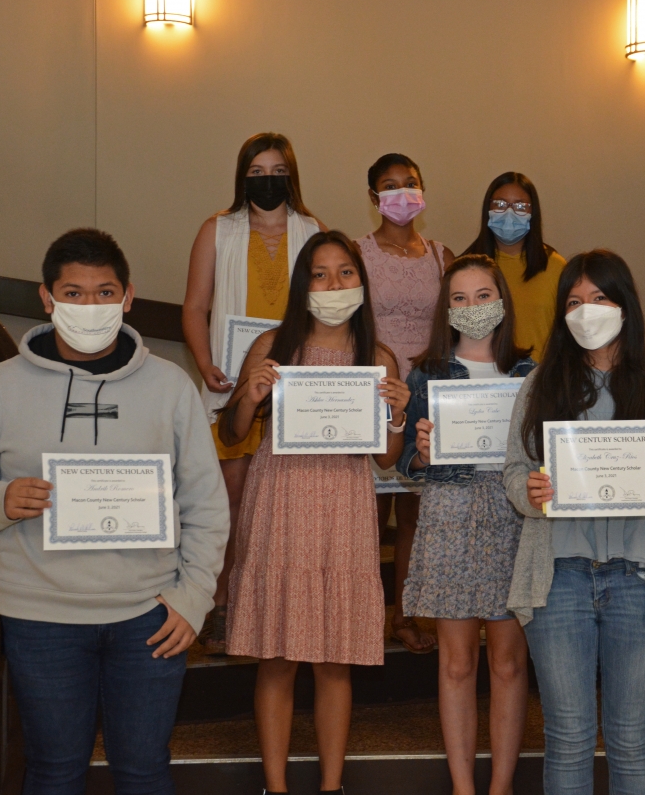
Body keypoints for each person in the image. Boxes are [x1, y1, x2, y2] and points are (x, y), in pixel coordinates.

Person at [0, 229, 229, 795]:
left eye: (104, 292)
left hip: (149, 617)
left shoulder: (170, 386)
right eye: (73, 293)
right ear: (47, 298)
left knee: (145, 771)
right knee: (52, 772)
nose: (89, 307)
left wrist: (194, 598)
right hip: (41, 617)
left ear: (128, 298)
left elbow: (205, 501)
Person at [503, 250, 645, 795]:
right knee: (567, 735)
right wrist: (529, 491)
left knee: (632, 736)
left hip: (639, 577)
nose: (586, 311)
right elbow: (515, 472)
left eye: (599, 299)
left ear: (626, 305)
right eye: (574, 302)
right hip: (559, 576)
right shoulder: (541, 383)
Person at [218, 231, 410, 795]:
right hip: (280, 498)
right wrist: (250, 397)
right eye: (320, 274)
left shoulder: (377, 357)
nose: (333, 285)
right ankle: (274, 786)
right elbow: (232, 432)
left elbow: (385, 460)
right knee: (277, 657)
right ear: (304, 285)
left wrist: (396, 417)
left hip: (345, 504)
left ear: (362, 280)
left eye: (345, 273)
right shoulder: (273, 345)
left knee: (334, 659)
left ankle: (332, 785)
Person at [181, 132, 326, 653]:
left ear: (292, 174)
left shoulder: (314, 232)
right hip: (233, 386)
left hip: (297, 388)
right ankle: (217, 603)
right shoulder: (217, 230)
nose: (268, 180)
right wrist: (205, 364)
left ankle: (267, 607)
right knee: (230, 499)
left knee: (286, 502)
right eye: (257, 172)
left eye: (277, 170)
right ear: (243, 177)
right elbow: (196, 306)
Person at [397, 255, 535, 795]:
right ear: (445, 308)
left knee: (507, 664)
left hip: (513, 518)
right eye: (459, 298)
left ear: (501, 302)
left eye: (483, 296)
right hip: (449, 515)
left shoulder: (531, 373)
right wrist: (425, 456)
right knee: (455, 664)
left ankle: (499, 787)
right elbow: (406, 461)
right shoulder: (426, 373)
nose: (472, 307)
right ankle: (463, 787)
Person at [356, 152, 455, 654]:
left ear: (422, 189)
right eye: (388, 186)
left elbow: (457, 323)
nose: (400, 193)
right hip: (373, 392)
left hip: (427, 394)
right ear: (374, 197)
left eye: (409, 183)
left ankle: (406, 616)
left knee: (416, 513)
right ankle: (366, 615)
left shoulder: (441, 255)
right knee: (369, 516)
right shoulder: (356, 253)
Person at [462, 172, 566, 362]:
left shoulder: (555, 267)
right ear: (487, 208)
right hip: (481, 383)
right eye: (500, 204)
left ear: (533, 213)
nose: (509, 212)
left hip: (541, 382)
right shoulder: (464, 269)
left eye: (520, 206)